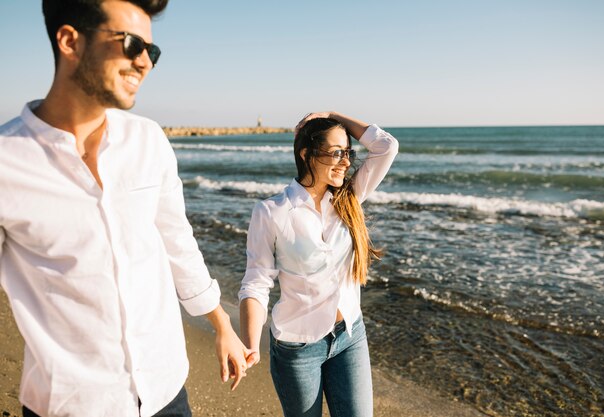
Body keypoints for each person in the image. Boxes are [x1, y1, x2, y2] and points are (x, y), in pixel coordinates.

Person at [0, 1, 254, 416]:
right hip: (71, 404)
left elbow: (177, 242)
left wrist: (221, 325)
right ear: (70, 42)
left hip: (165, 390)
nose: (144, 63)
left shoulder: (149, 141)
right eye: (132, 44)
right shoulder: (7, 163)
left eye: (151, 52)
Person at [239, 112, 399, 416]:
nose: (346, 162)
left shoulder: (349, 198)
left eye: (348, 153)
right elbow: (256, 282)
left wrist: (332, 115)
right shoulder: (272, 212)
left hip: (350, 335)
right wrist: (250, 343)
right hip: (297, 348)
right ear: (306, 154)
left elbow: (386, 146)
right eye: (336, 152)